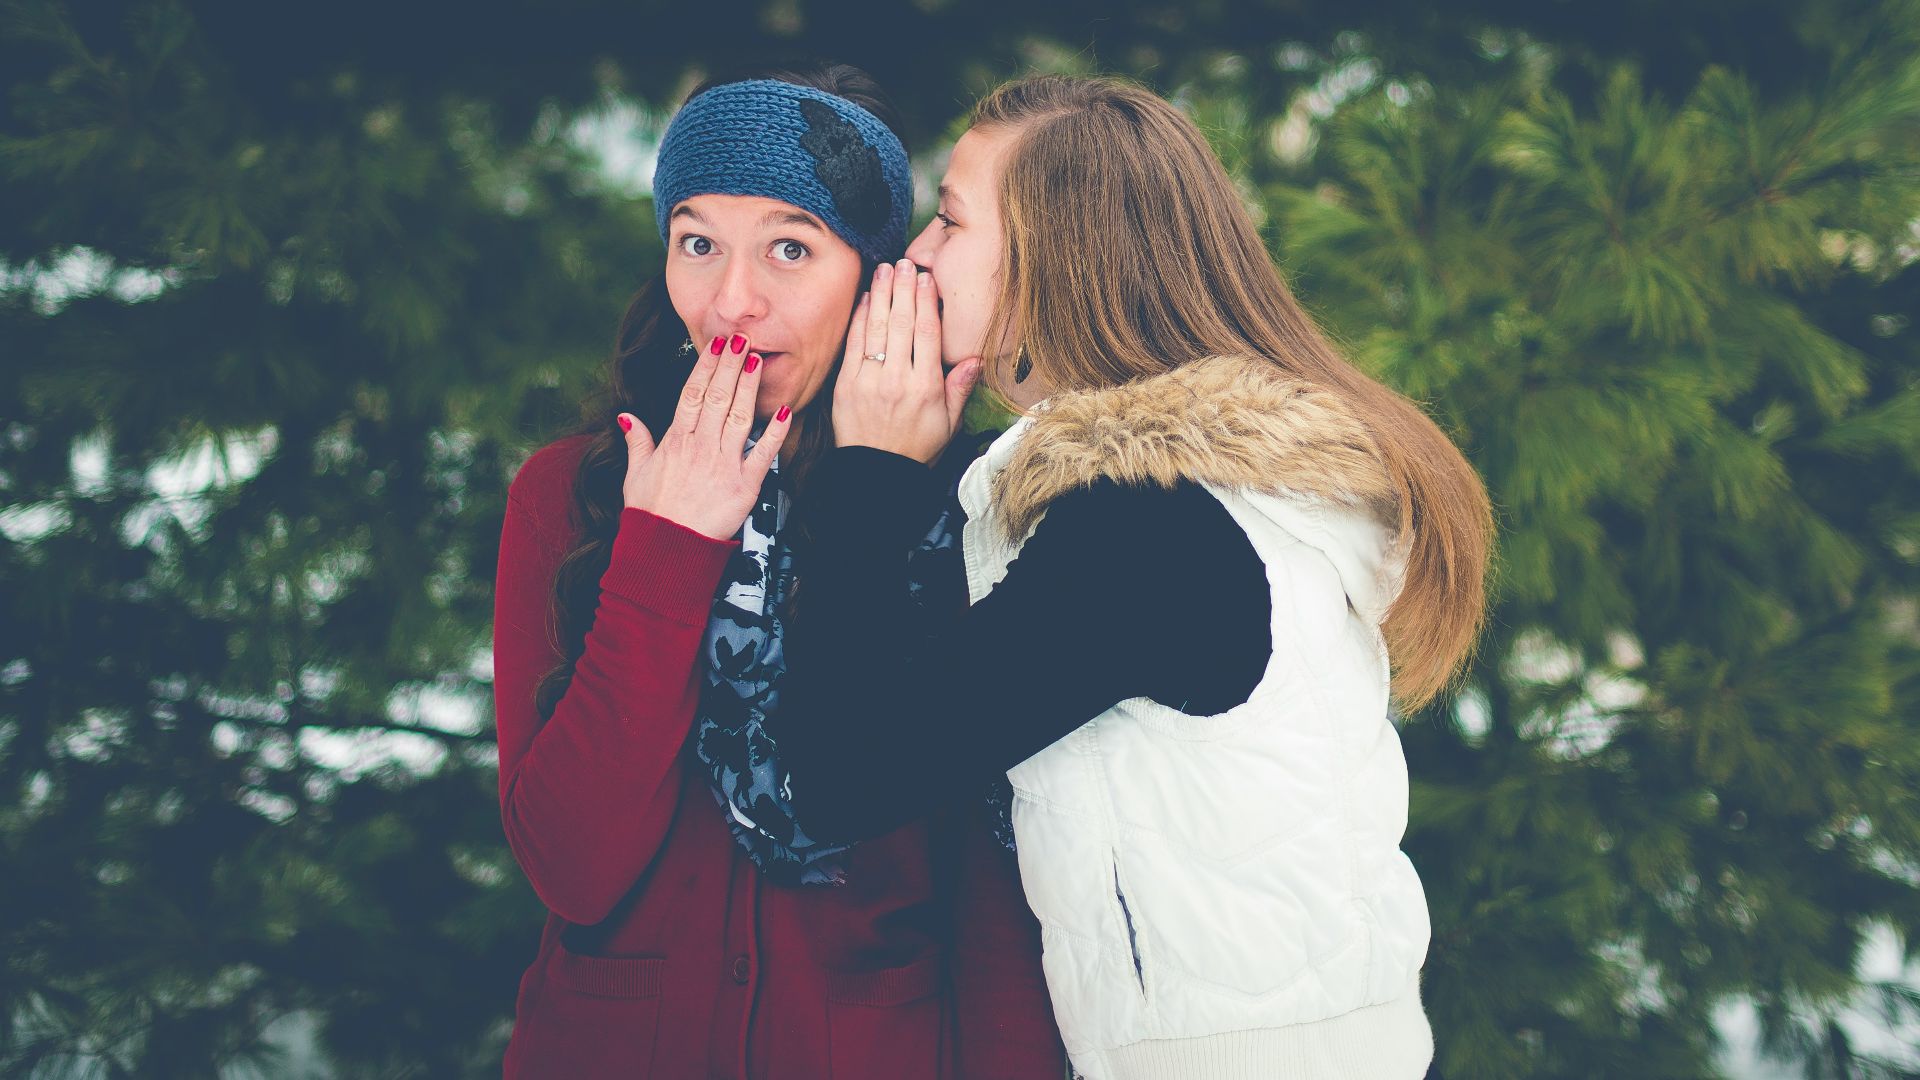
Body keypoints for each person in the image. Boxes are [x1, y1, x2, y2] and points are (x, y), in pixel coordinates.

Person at [668, 74, 1495, 1079]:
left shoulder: (1147, 535)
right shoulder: (1212, 497)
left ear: (1048, 260)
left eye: (950, 221)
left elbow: (839, 779)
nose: (916, 256)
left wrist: (870, 476)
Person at [491, 63, 1063, 1079]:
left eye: (790, 248)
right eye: (697, 243)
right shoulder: (571, 497)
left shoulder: (966, 507)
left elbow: (993, 906)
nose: (731, 301)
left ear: (876, 278)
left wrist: (879, 493)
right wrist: (666, 552)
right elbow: (571, 868)